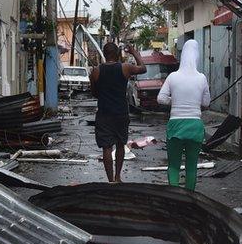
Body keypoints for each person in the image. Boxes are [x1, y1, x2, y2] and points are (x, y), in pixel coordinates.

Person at [157, 39, 210, 191]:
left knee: (173, 165)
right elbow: (206, 102)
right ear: (196, 56)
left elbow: (160, 98)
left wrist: (174, 100)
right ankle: (190, 197)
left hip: (176, 125)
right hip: (195, 126)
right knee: (191, 166)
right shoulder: (202, 78)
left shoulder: (173, 76)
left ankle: (175, 197)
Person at [90, 42, 146, 182]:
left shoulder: (96, 71)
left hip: (104, 114)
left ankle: (110, 180)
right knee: (120, 144)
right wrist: (133, 52)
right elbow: (143, 68)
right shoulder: (125, 67)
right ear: (117, 54)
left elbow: (94, 94)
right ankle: (118, 176)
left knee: (106, 147)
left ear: (104, 53)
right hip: (121, 113)